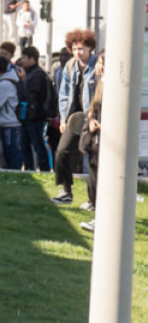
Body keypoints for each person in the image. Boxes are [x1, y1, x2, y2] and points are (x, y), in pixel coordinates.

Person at [53, 29, 98, 205]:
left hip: (91, 119)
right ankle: (65, 191)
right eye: (74, 48)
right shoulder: (70, 66)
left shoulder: (97, 65)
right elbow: (63, 94)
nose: (78, 52)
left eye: (81, 48)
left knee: (93, 159)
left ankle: (93, 199)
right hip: (74, 119)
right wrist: (64, 119)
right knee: (61, 152)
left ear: (89, 48)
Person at [80, 52, 105, 231]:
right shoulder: (99, 81)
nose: (101, 67)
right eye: (100, 63)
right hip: (97, 132)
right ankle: (95, 207)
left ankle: (102, 218)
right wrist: (90, 119)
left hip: (108, 135)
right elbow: (93, 106)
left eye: (105, 64)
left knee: (104, 173)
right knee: (94, 168)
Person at [18, 46, 51, 172]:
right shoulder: (30, 73)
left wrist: (22, 82)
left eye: (25, 58)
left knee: (37, 144)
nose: (22, 61)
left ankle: (44, 170)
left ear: (33, 59)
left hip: (35, 116)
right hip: (27, 116)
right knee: (24, 144)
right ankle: (29, 169)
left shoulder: (36, 75)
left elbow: (32, 97)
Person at [0, 55, 23, 170]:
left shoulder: (4, 84)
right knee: (10, 152)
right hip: (11, 121)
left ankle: (14, 175)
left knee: (11, 152)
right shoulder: (12, 79)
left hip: (10, 123)